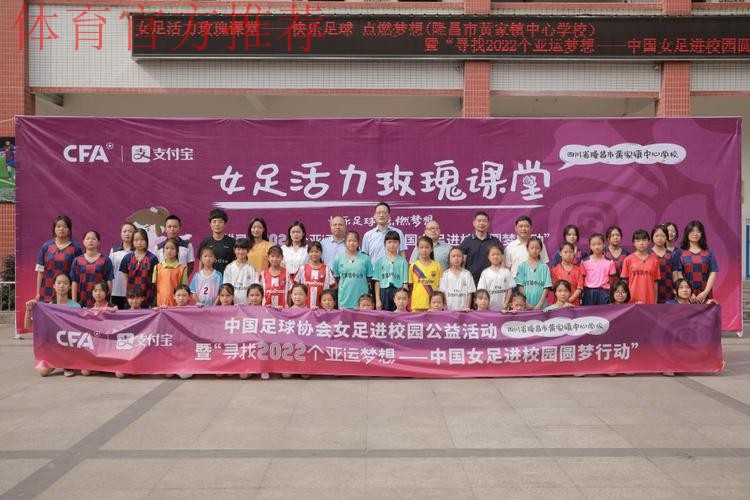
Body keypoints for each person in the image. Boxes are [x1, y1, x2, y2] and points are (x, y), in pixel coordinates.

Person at [25, 273, 81, 377]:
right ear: (54, 286)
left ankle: (68, 364)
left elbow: (80, 331)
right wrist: (28, 310)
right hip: (53, 348)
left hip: (70, 346)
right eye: (59, 283)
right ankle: (59, 362)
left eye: (65, 283)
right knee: (42, 371)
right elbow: (27, 326)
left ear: (70, 287)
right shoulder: (47, 307)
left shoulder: (76, 307)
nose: (61, 286)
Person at [35, 215, 83, 303]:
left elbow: (79, 274)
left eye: (64, 226)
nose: (61, 229)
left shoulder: (76, 248)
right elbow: (40, 271)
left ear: (69, 229)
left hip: (67, 292)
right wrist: (38, 292)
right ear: (54, 229)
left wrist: (75, 294)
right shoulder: (46, 246)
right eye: (58, 226)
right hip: (47, 291)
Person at [674, 220, 718, 304]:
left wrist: (705, 292)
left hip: (704, 293)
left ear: (702, 234)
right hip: (686, 294)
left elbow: (713, 272)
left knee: (705, 312)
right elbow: (679, 274)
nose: (695, 234)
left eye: (698, 231)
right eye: (692, 231)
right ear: (687, 233)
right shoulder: (680, 252)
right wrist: (689, 293)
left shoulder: (708, 253)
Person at [70, 230, 114, 308]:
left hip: (100, 300)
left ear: (98, 242)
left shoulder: (106, 260)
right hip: (81, 299)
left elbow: (109, 281)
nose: (90, 241)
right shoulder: (77, 261)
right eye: (88, 239)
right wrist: (74, 301)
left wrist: (108, 300)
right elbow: (74, 282)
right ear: (83, 242)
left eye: (93, 239)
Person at [119, 228, 159, 308]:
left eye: (142, 240)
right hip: (131, 297)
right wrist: (129, 293)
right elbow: (125, 277)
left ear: (146, 241)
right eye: (136, 240)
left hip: (148, 295)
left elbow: (156, 279)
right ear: (132, 242)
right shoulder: (127, 258)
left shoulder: (153, 258)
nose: (139, 242)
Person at [333, 231, 373, 309]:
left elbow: (369, 277)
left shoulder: (365, 258)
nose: (352, 243)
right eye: (349, 241)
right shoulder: (338, 258)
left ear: (358, 243)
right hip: (344, 297)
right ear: (345, 243)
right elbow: (337, 277)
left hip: (362, 299)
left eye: (354, 241)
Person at [460, 211, 501, 285]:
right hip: (471, 281)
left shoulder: (495, 241)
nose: (481, 223)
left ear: (488, 224)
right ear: (474, 223)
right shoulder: (467, 241)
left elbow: (501, 261)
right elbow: (462, 263)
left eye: (484, 221)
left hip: (491, 280)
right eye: (479, 221)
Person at [620, 229, 660, 304]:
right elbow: (624, 282)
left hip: (650, 299)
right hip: (632, 299)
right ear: (634, 243)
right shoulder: (628, 259)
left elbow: (655, 282)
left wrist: (655, 300)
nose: (641, 243)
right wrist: (625, 300)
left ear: (648, 242)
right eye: (638, 240)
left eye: (644, 240)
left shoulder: (654, 260)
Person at [503, 215, 549, 279]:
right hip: (516, 281)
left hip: (536, 280)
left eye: (526, 226)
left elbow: (544, 264)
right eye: (521, 226)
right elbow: (507, 268)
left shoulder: (539, 244)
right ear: (516, 228)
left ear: (531, 228)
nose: (523, 229)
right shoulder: (510, 247)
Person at [373, 230, 409, 311]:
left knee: (398, 315)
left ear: (399, 244)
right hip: (384, 292)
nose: (392, 245)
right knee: (385, 316)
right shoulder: (380, 261)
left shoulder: (403, 261)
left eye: (395, 242)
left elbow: (405, 283)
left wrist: (405, 299)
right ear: (385, 244)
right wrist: (378, 300)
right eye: (389, 242)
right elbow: (377, 282)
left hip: (398, 292)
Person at [295, 241, 335, 309]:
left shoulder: (327, 269)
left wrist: (326, 299)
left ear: (321, 253)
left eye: (317, 251)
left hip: (322, 308)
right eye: (311, 251)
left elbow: (333, 286)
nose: (314, 254)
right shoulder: (302, 268)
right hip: (305, 307)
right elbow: (295, 285)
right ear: (308, 253)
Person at [515, 237, 551, 311]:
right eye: (532, 248)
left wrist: (540, 303)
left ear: (541, 249)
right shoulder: (522, 266)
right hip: (525, 305)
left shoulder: (544, 267)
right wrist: (525, 302)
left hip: (541, 306)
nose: (534, 250)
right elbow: (520, 286)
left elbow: (546, 287)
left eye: (537, 248)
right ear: (527, 249)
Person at [408, 236, 443, 312]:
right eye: (421, 247)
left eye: (427, 247)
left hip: (433, 305)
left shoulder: (437, 266)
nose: (424, 250)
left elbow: (441, 286)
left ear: (431, 249)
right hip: (417, 304)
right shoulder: (413, 266)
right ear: (418, 249)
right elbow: (410, 286)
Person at [581, 233, 617, 306]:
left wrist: (610, 293)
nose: (596, 247)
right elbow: (582, 278)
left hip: (604, 292)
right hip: (589, 292)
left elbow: (612, 279)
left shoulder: (609, 261)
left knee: (604, 312)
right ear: (590, 246)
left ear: (604, 245)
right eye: (593, 244)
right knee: (588, 312)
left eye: (599, 244)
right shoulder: (584, 261)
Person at [477, 244, 515, 312]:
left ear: (502, 256)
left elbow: (509, 289)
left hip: (503, 308)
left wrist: (506, 304)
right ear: (488, 257)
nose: (495, 256)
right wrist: (486, 305)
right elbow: (482, 291)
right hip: (488, 308)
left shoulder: (506, 272)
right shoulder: (485, 273)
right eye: (493, 254)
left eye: (498, 254)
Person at [197, 208, 235, 274]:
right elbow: (201, 264)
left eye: (220, 222)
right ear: (210, 224)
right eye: (214, 222)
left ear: (225, 224)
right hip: (209, 279)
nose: (217, 224)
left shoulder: (233, 242)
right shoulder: (205, 242)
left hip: (227, 278)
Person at [152, 237, 188, 307]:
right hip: (161, 304)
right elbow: (154, 286)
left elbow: (183, 288)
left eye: (172, 248)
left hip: (176, 305)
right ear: (163, 250)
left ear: (177, 251)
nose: (169, 251)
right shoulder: (157, 267)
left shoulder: (182, 268)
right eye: (167, 248)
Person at [650, 224, 681, 303]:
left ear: (666, 237)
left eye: (663, 236)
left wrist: (677, 291)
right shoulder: (647, 254)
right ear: (652, 237)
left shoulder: (672, 255)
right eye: (657, 236)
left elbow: (675, 276)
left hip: (668, 292)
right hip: (651, 291)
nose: (659, 238)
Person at [222, 238, 258, 305]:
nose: (241, 252)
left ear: (248, 250)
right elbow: (226, 288)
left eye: (243, 249)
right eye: (238, 249)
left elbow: (255, 289)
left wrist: (251, 302)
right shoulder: (229, 268)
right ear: (234, 250)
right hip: (232, 305)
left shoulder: (252, 268)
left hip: (248, 306)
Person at [440, 247, 476, 312]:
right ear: (449, 259)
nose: (456, 258)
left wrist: (468, 307)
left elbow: (470, 292)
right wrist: (445, 305)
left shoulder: (467, 274)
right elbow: (443, 292)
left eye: (459, 256)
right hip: (449, 310)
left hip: (463, 310)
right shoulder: (445, 274)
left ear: (462, 258)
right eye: (453, 256)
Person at [109, 222, 135, 309]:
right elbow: (110, 271)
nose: (127, 234)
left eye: (130, 231)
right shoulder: (114, 251)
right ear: (120, 234)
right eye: (124, 231)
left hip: (132, 291)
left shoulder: (137, 251)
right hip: (115, 290)